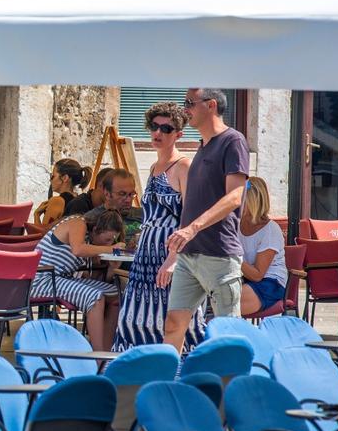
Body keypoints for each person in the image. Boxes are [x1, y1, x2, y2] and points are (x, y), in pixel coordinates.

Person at [158, 88, 250, 352]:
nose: (185, 109)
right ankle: (169, 375)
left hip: (218, 254)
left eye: (190, 103)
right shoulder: (203, 146)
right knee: (173, 324)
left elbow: (235, 196)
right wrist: (178, 248)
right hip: (189, 255)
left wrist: (193, 228)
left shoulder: (233, 141)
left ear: (211, 105)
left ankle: (231, 378)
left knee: (227, 331)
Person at [113, 103, 204, 351]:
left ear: (178, 134)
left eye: (166, 128)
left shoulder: (183, 166)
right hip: (145, 256)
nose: (158, 133)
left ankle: (179, 368)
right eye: (154, 126)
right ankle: (139, 366)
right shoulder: (154, 168)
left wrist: (174, 259)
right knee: (136, 318)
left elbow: (190, 216)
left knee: (173, 320)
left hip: (170, 254)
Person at [31, 211, 126, 351]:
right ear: (95, 229)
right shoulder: (77, 222)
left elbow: (95, 276)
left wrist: (112, 266)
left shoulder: (90, 242)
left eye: (112, 241)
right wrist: (110, 249)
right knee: (95, 297)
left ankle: (107, 351)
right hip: (42, 279)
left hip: (61, 278)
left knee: (116, 294)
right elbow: (77, 250)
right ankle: (98, 356)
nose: (110, 243)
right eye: (107, 239)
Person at [238, 177, 287, 316]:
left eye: (240, 199)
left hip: (271, 283)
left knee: (229, 299)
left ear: (253, 202)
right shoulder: (236, 225)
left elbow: (258, 275)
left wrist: (231, 256)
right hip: (245, 279)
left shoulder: (270, 230)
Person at [34, 158, 91, 227]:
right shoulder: (77, 198)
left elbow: (44, 232)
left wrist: (36, 214)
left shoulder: (57, 201)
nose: (50, 180)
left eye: (53, 176)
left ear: (65, 178)